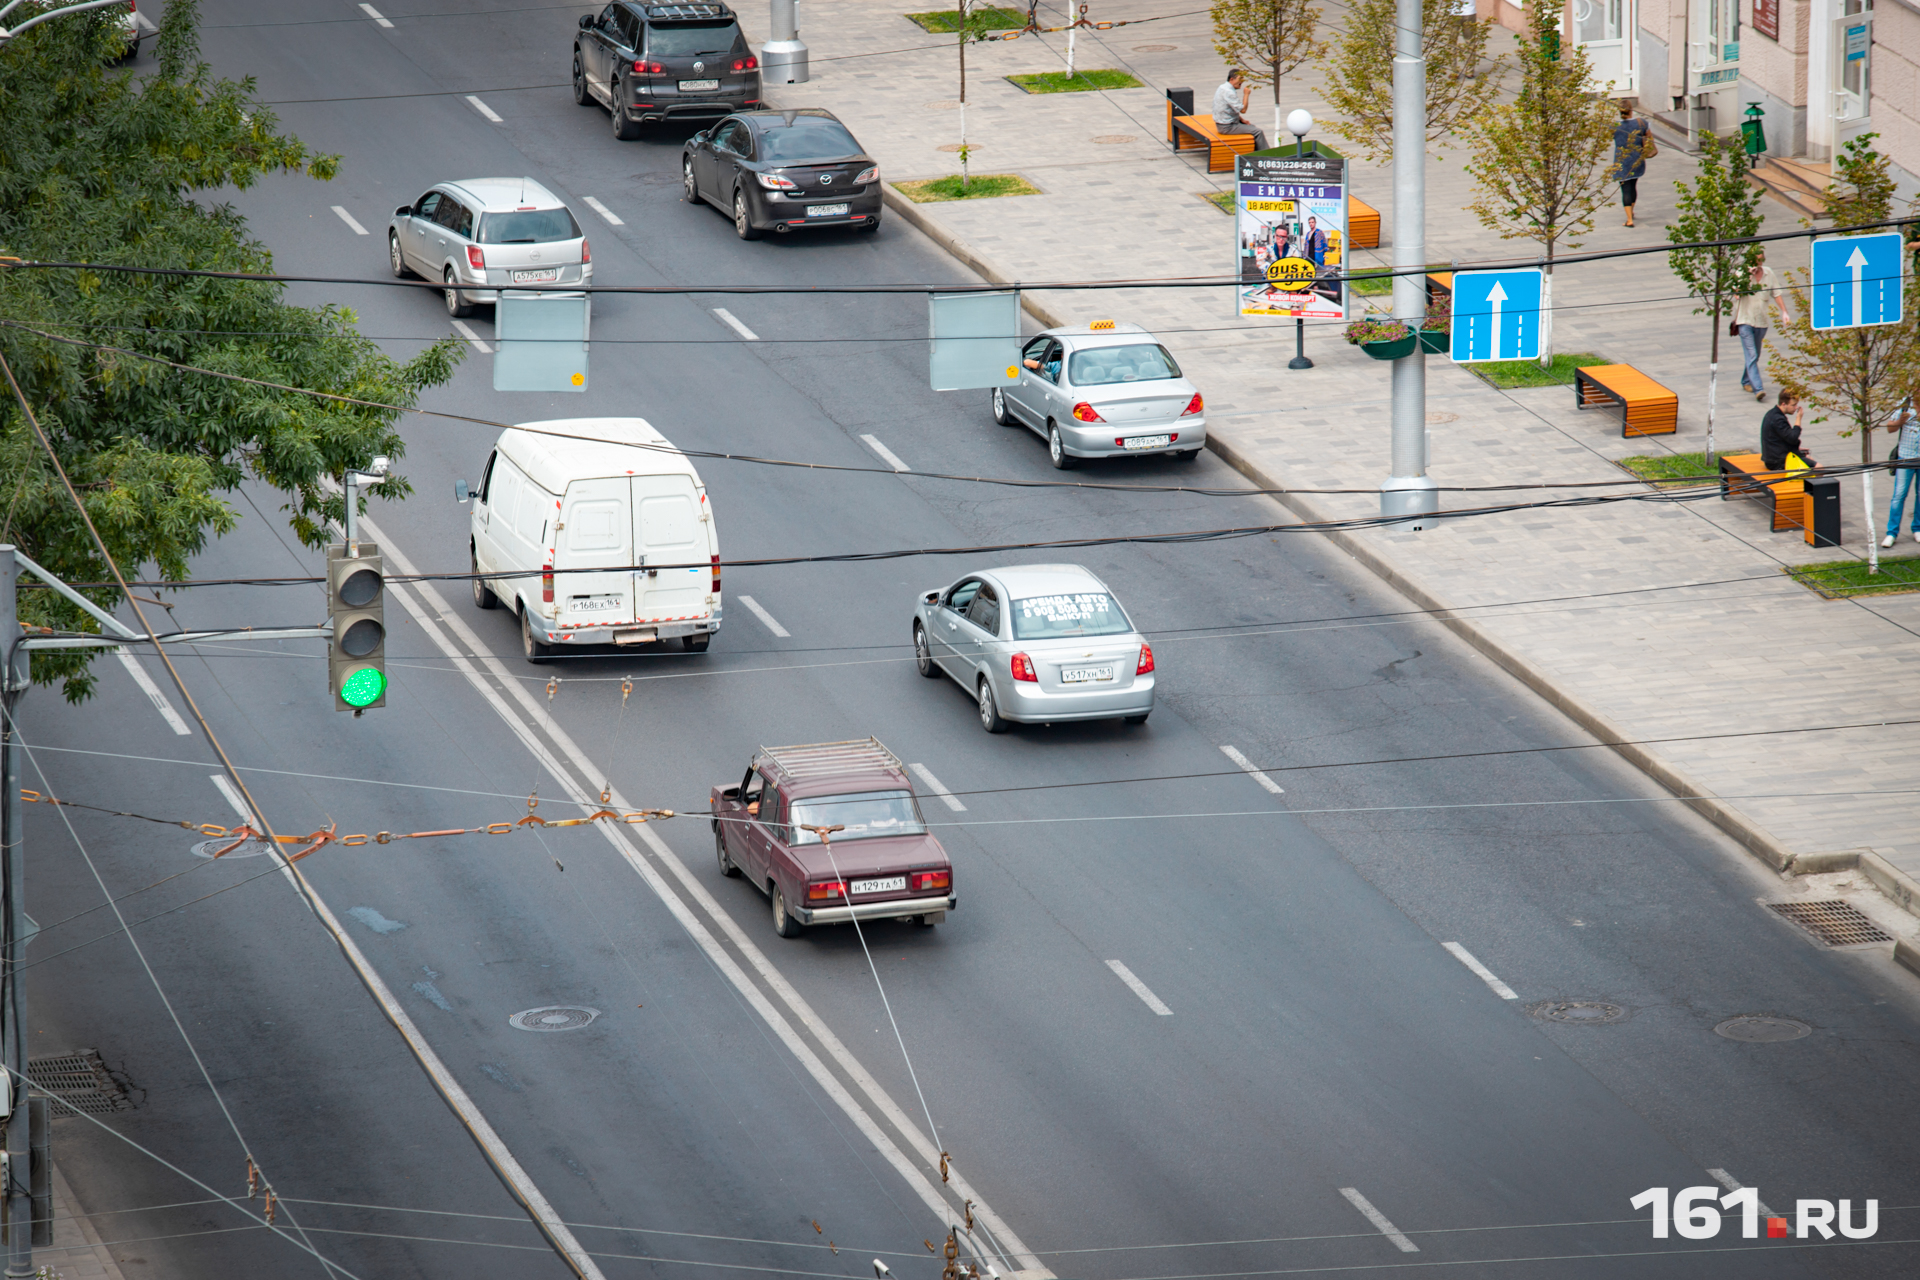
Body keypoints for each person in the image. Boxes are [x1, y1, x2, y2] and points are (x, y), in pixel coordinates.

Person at [1733, 250, 1788, 402]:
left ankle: (1745, 380)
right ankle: (1759, 389)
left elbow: (1776, 293)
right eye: (1755, 261)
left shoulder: (1768, 273)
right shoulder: (1741, 273)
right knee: (1751, 355)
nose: (1758, 264)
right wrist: (1747, 276)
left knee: (1755, 354)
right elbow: (1736, 294)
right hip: (1745, 321)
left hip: (1761, 322)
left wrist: (1784, 312)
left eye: (1760, 261)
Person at [1884, 398, 1920, 548]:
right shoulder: (1905, 404)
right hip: (1905, 457)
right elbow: (1890, 428)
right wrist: (1900, 421)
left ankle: (1917, 528)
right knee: (1899, 495)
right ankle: (1891, 533)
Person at [1612, 101, 1651, 228]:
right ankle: (1631, 212)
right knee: (1633, 186)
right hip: (1637, 160)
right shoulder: (1642, 123)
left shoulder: (1614, 126)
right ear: (1631, 110)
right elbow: (1648, 138)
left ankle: (1629, 219)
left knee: (1626, 189)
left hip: (1621, 162)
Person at [1211, 69, 1268, 152]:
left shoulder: (1222, 87)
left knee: (1252, 128)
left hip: (1222, 123)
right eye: (1240, 78)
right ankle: (1267, 156)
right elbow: (1243, 110)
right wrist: (1246, 94)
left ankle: (1255, 154)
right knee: (1258, 132)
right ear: (1232, 79)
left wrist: (1242, 120)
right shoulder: (1229, 92)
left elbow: (1229, 109)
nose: (1242, 81)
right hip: (1227, 127)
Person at [1760, 389, 1814, 472]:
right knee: (1819, 467)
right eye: (1793, 405)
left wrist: (1797, 448)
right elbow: (1793, 437)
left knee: (1810, 459)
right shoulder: (1778, 419)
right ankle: (1809, 484)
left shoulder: (1772, 413)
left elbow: (1781, 439)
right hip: (1778, 462)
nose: (1796, 408)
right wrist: (1798, 418)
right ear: (1783, 404)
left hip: (1774, 458)